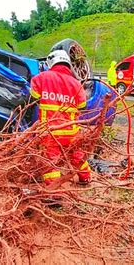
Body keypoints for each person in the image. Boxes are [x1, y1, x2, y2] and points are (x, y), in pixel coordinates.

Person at [30, 50, 92, 186]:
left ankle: (54, 192)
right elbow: (82, 105)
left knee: (51, 161)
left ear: (51, 62)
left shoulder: (41, 78)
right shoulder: (76, 83)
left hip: (50, 131)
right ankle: (85, 177)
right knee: (77, 155)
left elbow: (33, 97)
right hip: (71, 131)